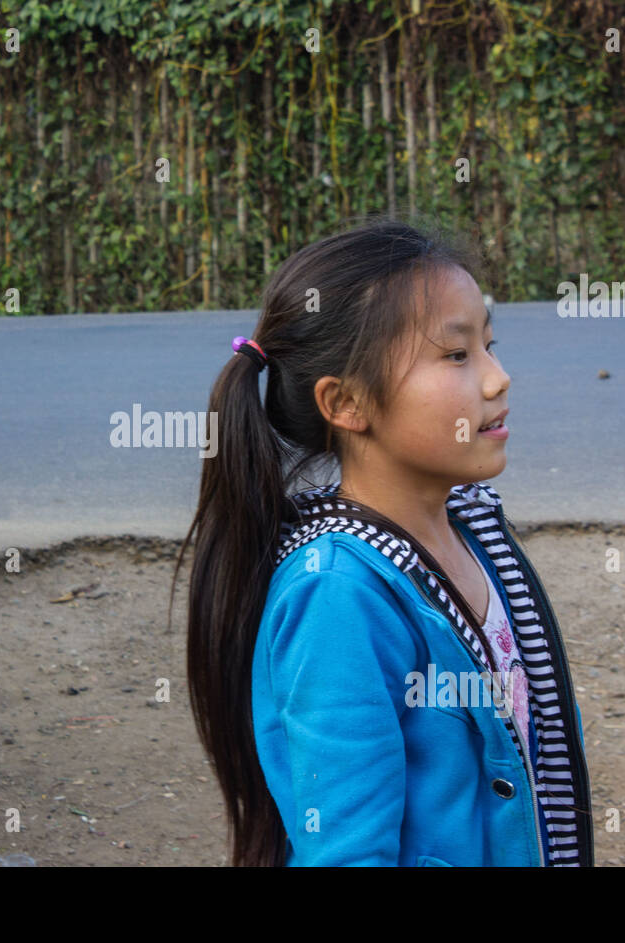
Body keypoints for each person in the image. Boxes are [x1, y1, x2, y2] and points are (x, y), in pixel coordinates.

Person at [172, 216, 593, 866]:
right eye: (456, 355)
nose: (497, 378)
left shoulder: (473, 536)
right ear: (346, 403)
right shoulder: (336, 597)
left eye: (489, 345)